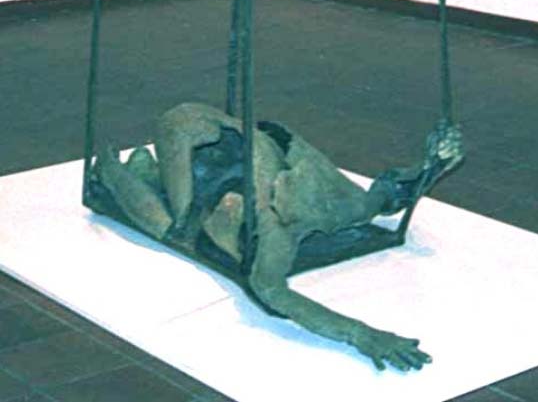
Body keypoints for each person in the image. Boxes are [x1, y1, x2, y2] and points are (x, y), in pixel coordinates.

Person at [95, 102, 463, 372]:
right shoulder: (293, 213)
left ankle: (133, 172)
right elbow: (271, 290)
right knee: (177, 216)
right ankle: (134, 173)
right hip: (209, 145)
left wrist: (432, 163)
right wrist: (432, 164)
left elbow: (274, 291)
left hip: (213, 173)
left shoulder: (311, 216)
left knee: (174, 217)